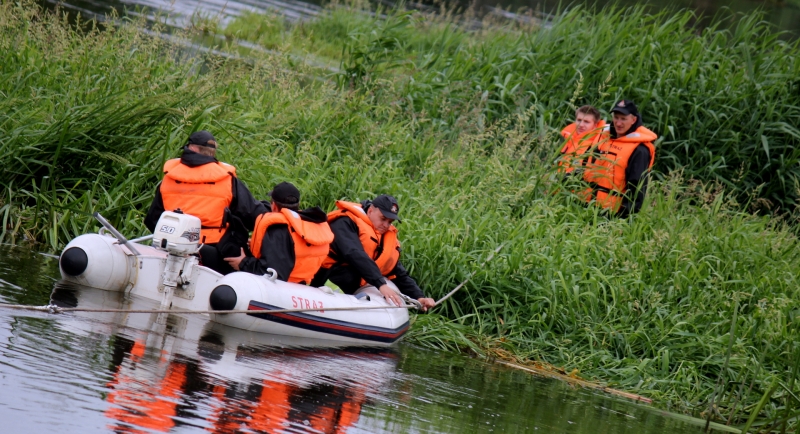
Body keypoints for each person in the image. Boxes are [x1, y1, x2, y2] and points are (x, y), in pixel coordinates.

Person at [144, 131, 266, 274]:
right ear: (212, 153)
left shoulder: (170, 176)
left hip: (172, 248)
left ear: (193, 149)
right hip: (213, 250)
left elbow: (152, 219)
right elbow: (253, 216)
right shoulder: (227, 179)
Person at [310, 195, 435, 311]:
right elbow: (354, 253)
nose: (386, 225)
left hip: (357, 290)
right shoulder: (345, 222)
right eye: (383, 219)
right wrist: (381, 284)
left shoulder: (383, 237)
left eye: (390, 222)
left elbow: (398, 273)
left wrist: (419, 297)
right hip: (327, 281)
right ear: (370, 211)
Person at [223, 182, 333, 285]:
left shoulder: (277, 229)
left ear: (274, 206)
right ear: (297, 204)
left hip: (278, 288)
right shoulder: (306, 225)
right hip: (299, 285)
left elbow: (274, 273)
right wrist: (265, 245)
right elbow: (290, 250)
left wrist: (243, 263)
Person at [582, 99, 657, 217]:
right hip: (585, 205)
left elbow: (636, 188)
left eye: (623, 119)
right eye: (616, 117)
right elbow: (583, 165)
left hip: (612, 214)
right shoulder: (602, 136)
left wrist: (625, 220)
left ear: (634, 120)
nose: (618, 123)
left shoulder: (640, 150)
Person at [558, 105, 606, 174]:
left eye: (586, 122)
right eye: (579, 120)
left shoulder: (597, 145)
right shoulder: (565, 136)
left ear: (595, 125)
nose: (581, 124)